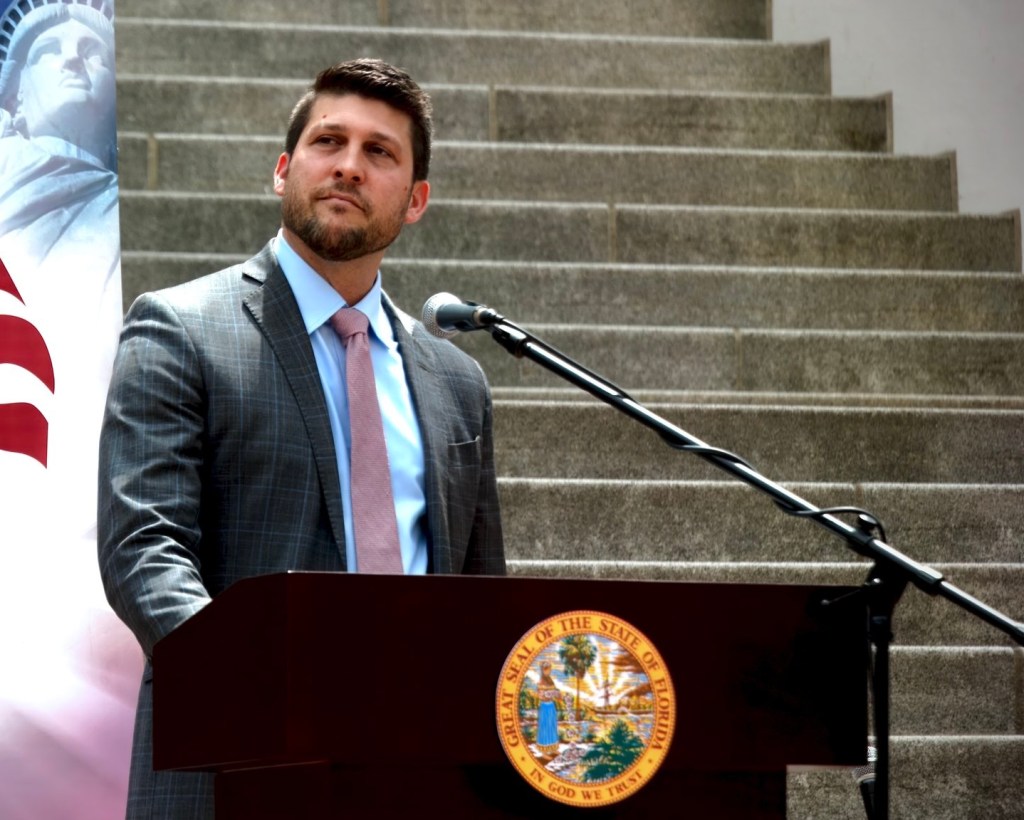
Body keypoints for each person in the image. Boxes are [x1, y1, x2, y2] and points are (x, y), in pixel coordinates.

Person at [97, 58, 506, 818]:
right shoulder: (180, 329)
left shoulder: (457, 382)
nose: (349, 166)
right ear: (284, 167)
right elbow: (143, 549)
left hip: (415, 776)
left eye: (380, 152)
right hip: (238, 766)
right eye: (329, 142)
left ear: (416, 200)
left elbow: (479, 599)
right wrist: (269, 687)